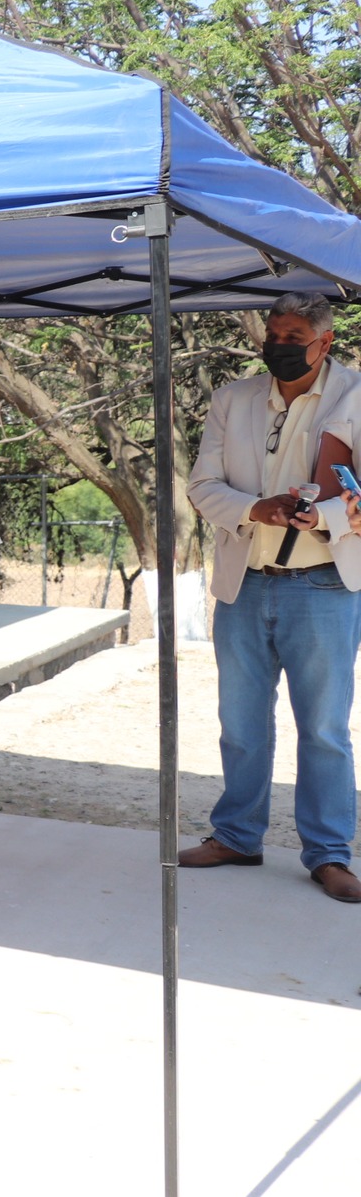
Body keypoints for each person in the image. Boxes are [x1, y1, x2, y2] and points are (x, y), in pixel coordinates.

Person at [184, 293, 361, 903]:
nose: (279, 346)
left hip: (324, 586)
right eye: (273, 335)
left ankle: (330, 853)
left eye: (293, 337)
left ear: (325, 342)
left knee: (324, 729)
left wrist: (328, 517)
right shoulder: (233, 399)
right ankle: (236, 835)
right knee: (240, 723)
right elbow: (202, 486)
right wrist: (257, 508)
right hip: (244, 581)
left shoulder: (356, 394)